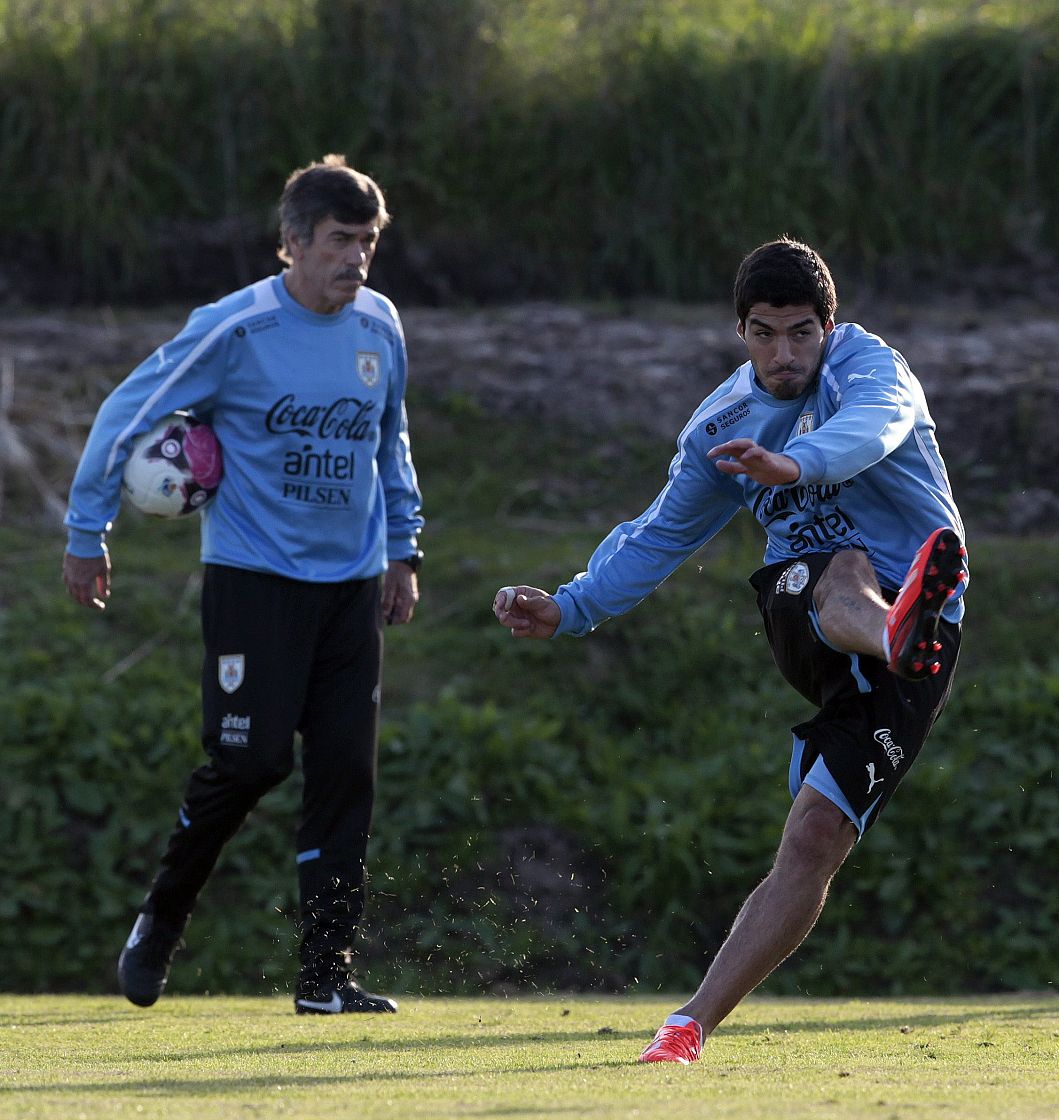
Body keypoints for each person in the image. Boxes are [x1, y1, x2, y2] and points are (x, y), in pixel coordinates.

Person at [493, 237, 967, 1063]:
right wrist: (569, 608)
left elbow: (871, 431)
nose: (783, 355)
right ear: (739, 331)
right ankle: (892, 630)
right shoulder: (722, 425)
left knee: (818, 837)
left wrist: (792, 464)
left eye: (800, 334)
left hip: (931, 630)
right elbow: (658, 536)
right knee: (839, 566)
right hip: (811, 614)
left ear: (831, 325)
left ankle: (688, 1025)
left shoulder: (873, 370)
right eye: (763, 334)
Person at [63, 155, 424, 1015]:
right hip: (254, 582)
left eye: (367, 242)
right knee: (249, 762)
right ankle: (160, 919)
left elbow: (390, 441)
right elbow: (127, 411)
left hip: (352, 588)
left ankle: (325, 979)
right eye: (340, 241)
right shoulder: (236, 329)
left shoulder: (380, 325)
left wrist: (405, 549)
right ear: (292, 244)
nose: (357, 260)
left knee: (345, 777)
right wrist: (87, 532)